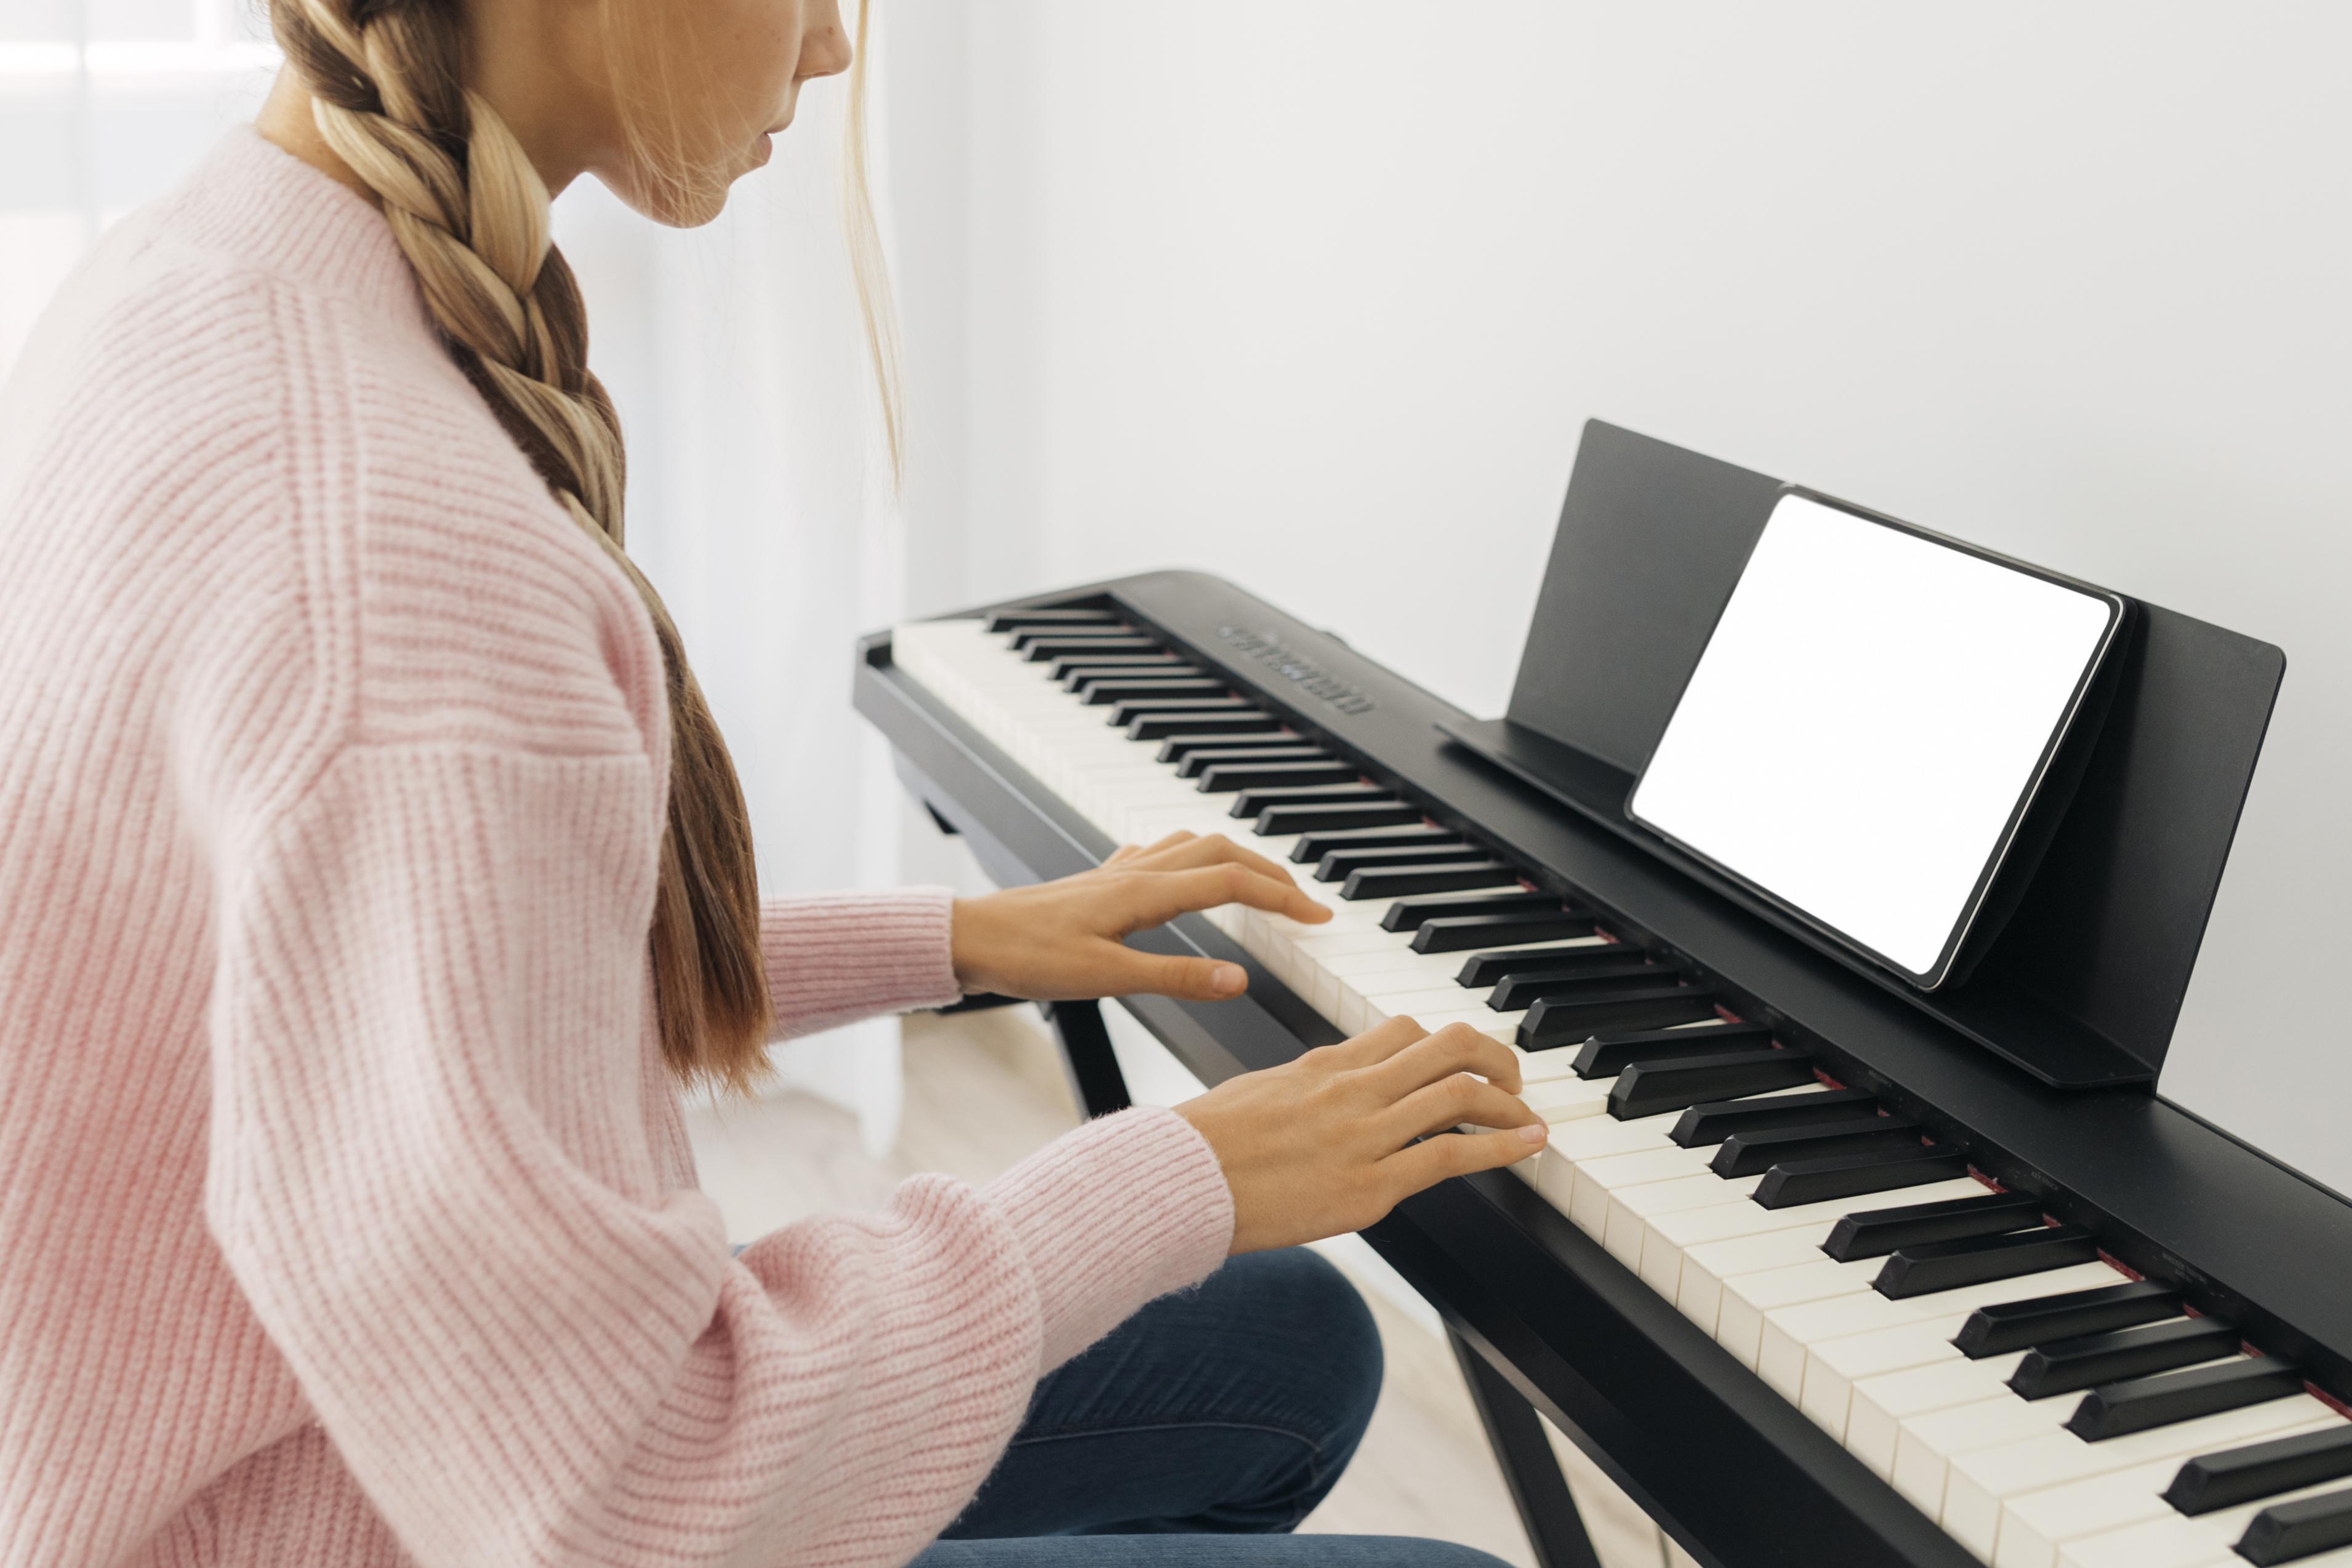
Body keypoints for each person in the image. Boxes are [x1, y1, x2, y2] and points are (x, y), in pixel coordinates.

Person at [0, 0, 1552, 1563]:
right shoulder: (404, 556)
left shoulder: (197, 268)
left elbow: (405, 986)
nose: (828, 51)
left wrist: (959, 942)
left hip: (280, 1430)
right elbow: (632, 1498)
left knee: (1288, 1342)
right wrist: (1182, 1166)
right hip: (360, 1510)